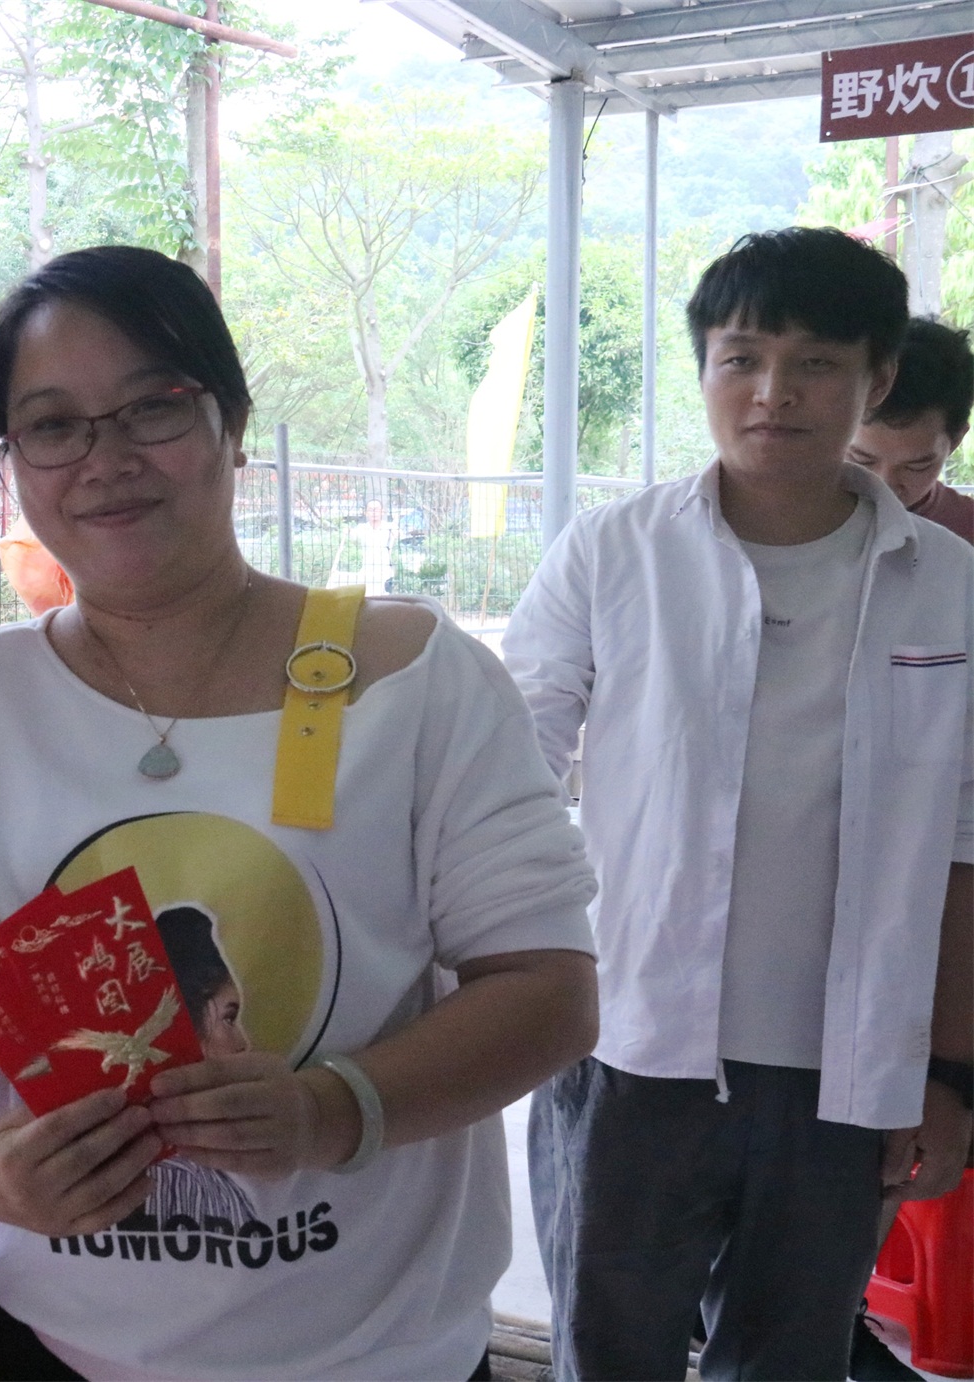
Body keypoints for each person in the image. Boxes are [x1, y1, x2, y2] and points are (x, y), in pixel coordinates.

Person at [0, 245, 601, 1380]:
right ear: (10, 465)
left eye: (152, 407)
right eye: (52, 426)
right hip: (61, 1348)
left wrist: (331, 1110)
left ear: (232, 424)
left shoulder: (416, 675)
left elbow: (548, 990)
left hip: (378, 1359)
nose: (106, 460)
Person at [503, 227, 974, 1382]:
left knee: (791, 1358)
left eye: (816, 363)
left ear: (876, 378)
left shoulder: (953, 585)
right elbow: (508, 771)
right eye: (743, 358)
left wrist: (953, 1072)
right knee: (608, 1353)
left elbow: (967, 842)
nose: (774, 392)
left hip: (847, 1070)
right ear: (705, 368)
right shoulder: (613, 551)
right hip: (629, 1044)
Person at [847, 314, 974, 1380]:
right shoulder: (778, 535)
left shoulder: (964, 553)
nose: (890, 492)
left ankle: (849, 1304)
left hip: (946, 881)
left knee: (917, 1135)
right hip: (841, 891)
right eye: (865, 463)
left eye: (917, 468)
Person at [851, 316, 974, 542]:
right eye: (862, 459)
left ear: (956, 440)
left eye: (915, 467)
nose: (884, 485)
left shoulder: (967, 535)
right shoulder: (787, 523)